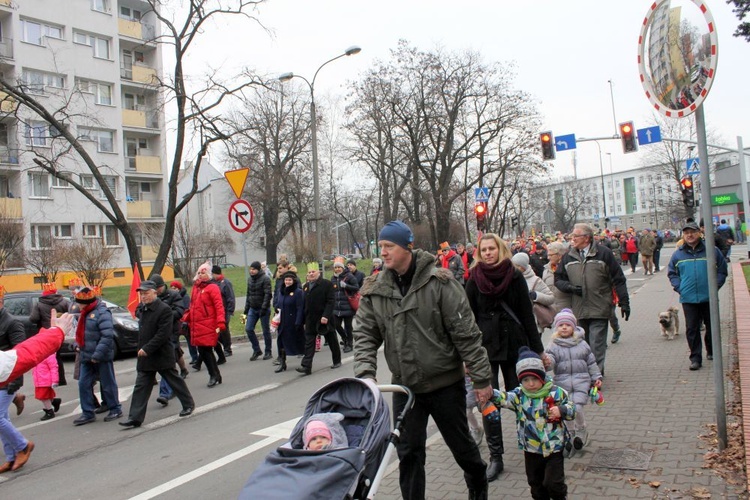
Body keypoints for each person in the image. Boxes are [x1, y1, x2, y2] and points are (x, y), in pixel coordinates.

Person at [354, 220, 493, 500]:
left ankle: (478, 485)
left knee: (464, 450)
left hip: (445, 385)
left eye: (389, 246)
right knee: (408, 454)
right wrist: (366, 375)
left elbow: (466, 334)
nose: (383, 252)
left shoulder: (439, 283)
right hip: (406, 389)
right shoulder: (376, 289)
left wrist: (481, 379)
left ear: (408, 246)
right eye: (380, 246)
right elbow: (365, 335)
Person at [465, 233, 547, 481]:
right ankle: (496, 457)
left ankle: (532, 447)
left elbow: (526, 314)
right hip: (485, 350)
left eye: (492, 248)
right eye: (484, 249)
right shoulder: (473, 279)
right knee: (487, 402)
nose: (488, 253)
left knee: (522, 398)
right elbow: (467, 320)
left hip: (514, 345)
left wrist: (539, 350)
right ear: (479, 253)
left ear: (500, 250)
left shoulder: (515, 276)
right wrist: (467, 356)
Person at [491, 347, 575, 500]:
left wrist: (561, 410)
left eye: (535, 379)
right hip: (531, 448)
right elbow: (504, 397)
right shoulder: (519, 395)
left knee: (553, 483)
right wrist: (489, 392)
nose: (530, 384)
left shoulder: (556, 393)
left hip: (554, 447)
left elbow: (571, 409)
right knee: (535, 484)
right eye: (525, 380)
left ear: (542, 377)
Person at [555, 223, 630, 375]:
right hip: (579, 309)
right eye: (572, 236)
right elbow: (558, 279)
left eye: (576, 236)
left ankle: (596, 376)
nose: (572, 239)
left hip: (600, 307)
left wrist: (624, 302)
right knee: (583, 345)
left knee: (597, 344)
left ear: (587, 238)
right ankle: (587, 373)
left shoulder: (604, 253)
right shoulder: (568, 256)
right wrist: (570, 288)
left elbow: (618, 279)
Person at [119, 281, 195, 429]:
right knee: (141, 386)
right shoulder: (142, 308)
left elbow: (163, 334)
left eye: (146, 293)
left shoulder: (164, 309)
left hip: (161, 353)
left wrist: (147, 348)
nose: (143, 296)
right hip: (146, 356)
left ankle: (188, 404)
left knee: (174, 380)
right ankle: (135, 417)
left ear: (155, 292)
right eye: (141, 294)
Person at [667, 221, 728, 371]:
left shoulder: (712, 251)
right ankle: (695, 358)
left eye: (692, 232)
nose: (689, 235)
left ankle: (711, 350)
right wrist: (680, 287)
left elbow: (722, 270)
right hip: (688, 298)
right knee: (692, 329)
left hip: (709, 297)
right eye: (686, 232)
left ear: (699, 233)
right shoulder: (678, 254)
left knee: (711, 326)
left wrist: (715, 287)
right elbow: (672, 273)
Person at [544, 309, 602, 456]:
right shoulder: (553, 346)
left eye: (567, 325)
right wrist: (546, 363)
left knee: (577, 408)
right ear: (556, 328)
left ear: (574, 327)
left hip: (581, 381)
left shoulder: (582, 344)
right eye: (561, 325)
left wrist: (596, 377)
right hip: (561, 384)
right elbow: (550, 363)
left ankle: (582, 429)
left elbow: (591, 362)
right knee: (565, 410)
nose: (564, 327)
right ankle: (570, 432)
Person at [72, 286, 123, 426]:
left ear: (88, 303)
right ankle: (88, 412)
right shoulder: (84, 313)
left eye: (80, 303)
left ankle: (115, 408)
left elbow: (107, 336)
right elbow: (81, 333)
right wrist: (77, 344)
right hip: (86, 355)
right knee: (83, 384)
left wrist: (97, 354)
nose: (78, 305)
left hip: (101, 356)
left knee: (107, 383)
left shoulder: (102, 313)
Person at [0, 288, 35, 472]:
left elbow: (20, 354)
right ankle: (11, 456)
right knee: (2, 417)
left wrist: (14, 382)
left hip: (9, 378)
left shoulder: (12, 323)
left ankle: (23, 446)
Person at [183, 262, 225, 387]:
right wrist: (187, 319)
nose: (201, 275)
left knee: (206, 350)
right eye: (199, 273)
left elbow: (219, 306)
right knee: (203, 350)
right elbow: (192, 306)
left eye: (203, 273)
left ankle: (214, 375)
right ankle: (215, 374)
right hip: (197, 324)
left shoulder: (213, 288)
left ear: (208, 274)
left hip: (209, 324)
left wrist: (221, 322)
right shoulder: (196, 288)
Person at [150, 274, 188, 407]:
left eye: (158, 288)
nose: (156, 291)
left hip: (171, 332)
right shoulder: (151, 298)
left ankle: (165, 393)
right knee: (171, 360)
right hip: (157, 335)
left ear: (162, 286)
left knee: (167, 362)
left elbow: (179, 312)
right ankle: (179, 381)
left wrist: (163, 316)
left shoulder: (173, 295)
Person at [297, 263, 341, 375]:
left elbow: (331, 301)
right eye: (309, 272)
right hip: (311, 319)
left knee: (332, 340)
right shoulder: (306, 286)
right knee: (309, 343)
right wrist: (303, 321)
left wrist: (326, 316)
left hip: (324, 318)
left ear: (318, 273)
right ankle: (306, 366)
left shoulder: (327, 284)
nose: (311, 274)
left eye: (313, 272)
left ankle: (337, 360)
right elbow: (304, 304)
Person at [29, 282, 70, 386]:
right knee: (58, 356)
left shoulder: (39, 304)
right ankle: (61, 379)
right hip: (60, 331)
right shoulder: (64, 302)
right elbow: (70, 314)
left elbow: (33, 319)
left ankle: (50, 379)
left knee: (48, 357)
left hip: (46, 333)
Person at [511, 252, 555, 334]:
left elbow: (551, 298)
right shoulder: (510, 279)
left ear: (521, 267)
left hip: (533, 325)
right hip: (515, 324)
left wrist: (536, 296)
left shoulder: (535, 280)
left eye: (514, 265)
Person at [274, 271, 305, 373]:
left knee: (299, 342)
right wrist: (276, 310)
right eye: (286, 280)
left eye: (289, 280)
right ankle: (282, 362)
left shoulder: (298, 292)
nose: (287, 282)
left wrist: (298, 321)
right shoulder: (281, 291)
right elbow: (279, 304)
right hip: (282, 321)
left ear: (293, 281)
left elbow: (300, 308)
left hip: (293, 321)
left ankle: (306, 361)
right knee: (281, 342)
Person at [242, 261, 273, 361]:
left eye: (254, 269)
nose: (251, 271)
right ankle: (256, 349)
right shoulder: (249, 280)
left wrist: (264, 308)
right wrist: (245, 311)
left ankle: (268, 351)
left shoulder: (265, 279)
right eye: (250, 269)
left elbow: (268, 294)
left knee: (265, 331)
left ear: (258, 269)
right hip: (252, 308)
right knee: (248, 329)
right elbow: (248, 295)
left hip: (263, 308)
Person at [331, 258, 359, 353]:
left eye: (339, 267)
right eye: (336, 267)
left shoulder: (349, 276)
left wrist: (346, 286)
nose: (337, 269)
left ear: (343, 268)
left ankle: (350, 344)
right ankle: (345, 339)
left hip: (347, 306)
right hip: (337, 307)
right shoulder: (333, 278)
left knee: (348, 327)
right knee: (337, 325)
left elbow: (356, 288)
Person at [211, 265, 235, 358]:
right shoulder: (212, 283)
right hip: (216, 311)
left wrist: (230, 310)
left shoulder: (225, 283)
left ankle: (227, 348)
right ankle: (224, 344)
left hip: (225, 310)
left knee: (224, 330)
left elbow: (230, 297)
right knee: (217, 330)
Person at [171, 281, 197, 364]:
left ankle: (194, 357)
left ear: (179, 288)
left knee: (190, 341)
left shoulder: (185, 297)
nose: (173, 290)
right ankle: (176, 359)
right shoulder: (172, 297)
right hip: (176, 323)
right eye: (171, 288)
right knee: (174, 343)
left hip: (185, 322)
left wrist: (184, 321)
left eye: (174, 288)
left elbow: (187, 309)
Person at [542, 242, 571, 314]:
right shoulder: (546, 269)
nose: (548, 257)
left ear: (559, 255)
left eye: (551, 255)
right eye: (548, 255)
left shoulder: (569, 267)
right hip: (551, 310)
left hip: (567, 310)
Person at [32, 351, 60, 421]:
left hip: (45, 380)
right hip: (39, 380)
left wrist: (55, 380)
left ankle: (49, 411)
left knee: (43, 397)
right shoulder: (38, 354)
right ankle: (54, 402)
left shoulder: (49, 355)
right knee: (43, 396)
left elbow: (54, 368)